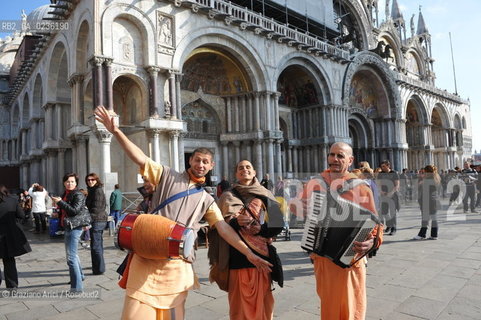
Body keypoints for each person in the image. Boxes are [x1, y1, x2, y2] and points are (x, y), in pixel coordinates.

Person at [94, 105, 271, 319]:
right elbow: (139, 158)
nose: (200, 164)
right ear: (190, 160)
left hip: (176, 265)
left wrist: (249, 253)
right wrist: (116, 131)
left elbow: (224, 229)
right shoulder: (166, 175)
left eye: (205, 162)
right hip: (146, 257)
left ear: (211, 165)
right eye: (197, 160)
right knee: (135, 315)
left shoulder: (207, 200)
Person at [309, 142, 382, 320]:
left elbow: (375, 224)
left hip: (349, 259)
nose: (334, 159)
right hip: (322, 259)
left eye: (340, 156)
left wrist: (372, 242)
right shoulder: (317, 183)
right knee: (329, 307)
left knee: (350, 308)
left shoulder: (361, 187)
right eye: (331, 154)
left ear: (350, 160)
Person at [212, 160, 284, 319]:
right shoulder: (227, 196)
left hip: (262, 258)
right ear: (236, 174)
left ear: (254, 172)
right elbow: (220, 226)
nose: (244, 170)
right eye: (240, 168)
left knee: (262, 305)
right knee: (240, 307)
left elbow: (279, 223)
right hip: (237, 258)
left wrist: (262, 229)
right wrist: (235, 223)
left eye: (248, 167)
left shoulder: (265, 194)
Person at [51, 173, 87, 292]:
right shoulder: (66, 194)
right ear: (64, 183)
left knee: (71, 258)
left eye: (72, 181)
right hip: (67, 226)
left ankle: (77, 288)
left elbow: (74, 211)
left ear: (76, 183)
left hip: (74, 227)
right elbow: (65, 211)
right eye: (67, 181)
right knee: (73, 255)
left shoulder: (78, 194)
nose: (69, 183)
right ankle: (80, 276)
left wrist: (60, 202)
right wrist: (58, 212)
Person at [0, 185, 32, 288]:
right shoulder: (13, 200)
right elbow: (21, 215)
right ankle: (12, 286)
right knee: (9, 261)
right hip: (8, 236)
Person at [85, 173, 108, 275]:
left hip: (97, 220)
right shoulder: (92, 190)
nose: (90, 181)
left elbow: (96, 208)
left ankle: (99, 269)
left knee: (95, 246)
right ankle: (100, 265)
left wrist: (88, 219)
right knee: (98, 244)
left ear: (96, 180)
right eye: (88, 180)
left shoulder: (97, 190)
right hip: (98, 220)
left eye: (92, 180)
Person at [413, 165, 441, 240]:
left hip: (427, 200)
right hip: (434, 200)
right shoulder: (436, 178)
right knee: (433, 218)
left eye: (424, 172)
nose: (423, 173)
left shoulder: (427, 180)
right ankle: (434, 235)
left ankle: (422, 234)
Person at [377, 160, 400, 235]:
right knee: (384, 212)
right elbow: (379, 184)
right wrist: (380, 191)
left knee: (393, 212)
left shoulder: (394, 173)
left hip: (393, 195)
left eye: (384, 166)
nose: (382, 168)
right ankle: (389, 225)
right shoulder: (380, 174)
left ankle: (394, 228)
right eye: (381, 166)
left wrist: (391, 193)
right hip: (384, 194)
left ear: (388, 165)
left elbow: (397, 185)